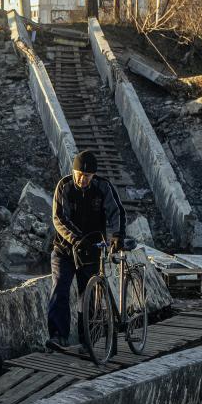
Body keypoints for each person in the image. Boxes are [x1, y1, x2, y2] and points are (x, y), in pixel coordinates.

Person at [47, 150, 124, 350]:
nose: (82, 179)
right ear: (73, 171)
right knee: (60, 289)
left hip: (91, 250)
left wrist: (117, 235)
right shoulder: (64, 186)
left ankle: (87, 339)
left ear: (93, 176)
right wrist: (75, 239)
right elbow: (59, 218)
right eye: (79, 174)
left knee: (88, 295)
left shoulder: (103, 187)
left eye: (87, 176)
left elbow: (117, 212)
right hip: (64, 249)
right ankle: (58, 336)